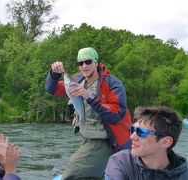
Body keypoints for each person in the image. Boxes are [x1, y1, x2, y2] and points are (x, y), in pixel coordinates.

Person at [46, 47, 132, 179]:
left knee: (71, 176)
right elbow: (52, 89)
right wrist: (54, 74)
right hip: (87, 137)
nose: (84, 66)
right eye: (80, 63)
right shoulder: (76, 81)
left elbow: (116, 115)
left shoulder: (112, 83)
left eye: (88, 61)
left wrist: (89, 97)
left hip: (105, 140)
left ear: (96, 63)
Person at [105, 106, 188, 180]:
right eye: (133, 130)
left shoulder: (184, 176)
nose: (132, 137)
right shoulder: (120, 162)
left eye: (141, 132)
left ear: (166, 142)